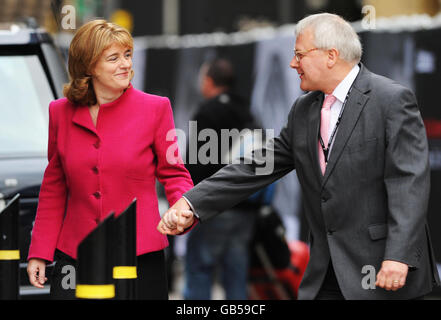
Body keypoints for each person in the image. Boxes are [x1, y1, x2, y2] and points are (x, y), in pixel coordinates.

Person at [158, 13, 441, 300]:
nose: (293, 63)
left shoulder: (391, 100)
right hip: (325, 275)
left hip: (384, 271)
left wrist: (398, 256)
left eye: (299, 54)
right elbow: (257, 166)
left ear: (331, 55)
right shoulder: (303, 110)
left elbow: (409, 183)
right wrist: (193, 202)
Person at [26, 19, 193, 300]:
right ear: (89, 66)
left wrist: (183, 206)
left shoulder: (156, 108)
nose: (125, 64)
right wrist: (39, 252)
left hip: (139, 255)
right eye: (113, 58)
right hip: (75, 257)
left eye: (127, 55)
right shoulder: (60, 113)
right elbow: (54, 188)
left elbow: (174, 173)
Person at [183, 58, 257, 300]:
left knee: (199, 268)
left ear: (209, 81)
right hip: (247, 208)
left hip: (215, 206)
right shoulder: (247, 111)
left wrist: (190, 202)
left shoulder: (208, 113)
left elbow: (195, 163)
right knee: (236, 273)